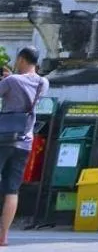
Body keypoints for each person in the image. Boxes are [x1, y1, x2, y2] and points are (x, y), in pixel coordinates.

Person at [0, 48, 48, 248]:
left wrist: (7, 79)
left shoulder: (11, 81)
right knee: (12, 189)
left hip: (3, 137)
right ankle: (3, 236)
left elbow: (7, 90)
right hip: (25, 141)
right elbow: (24, 87)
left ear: (20, 59)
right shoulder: (43, 83)